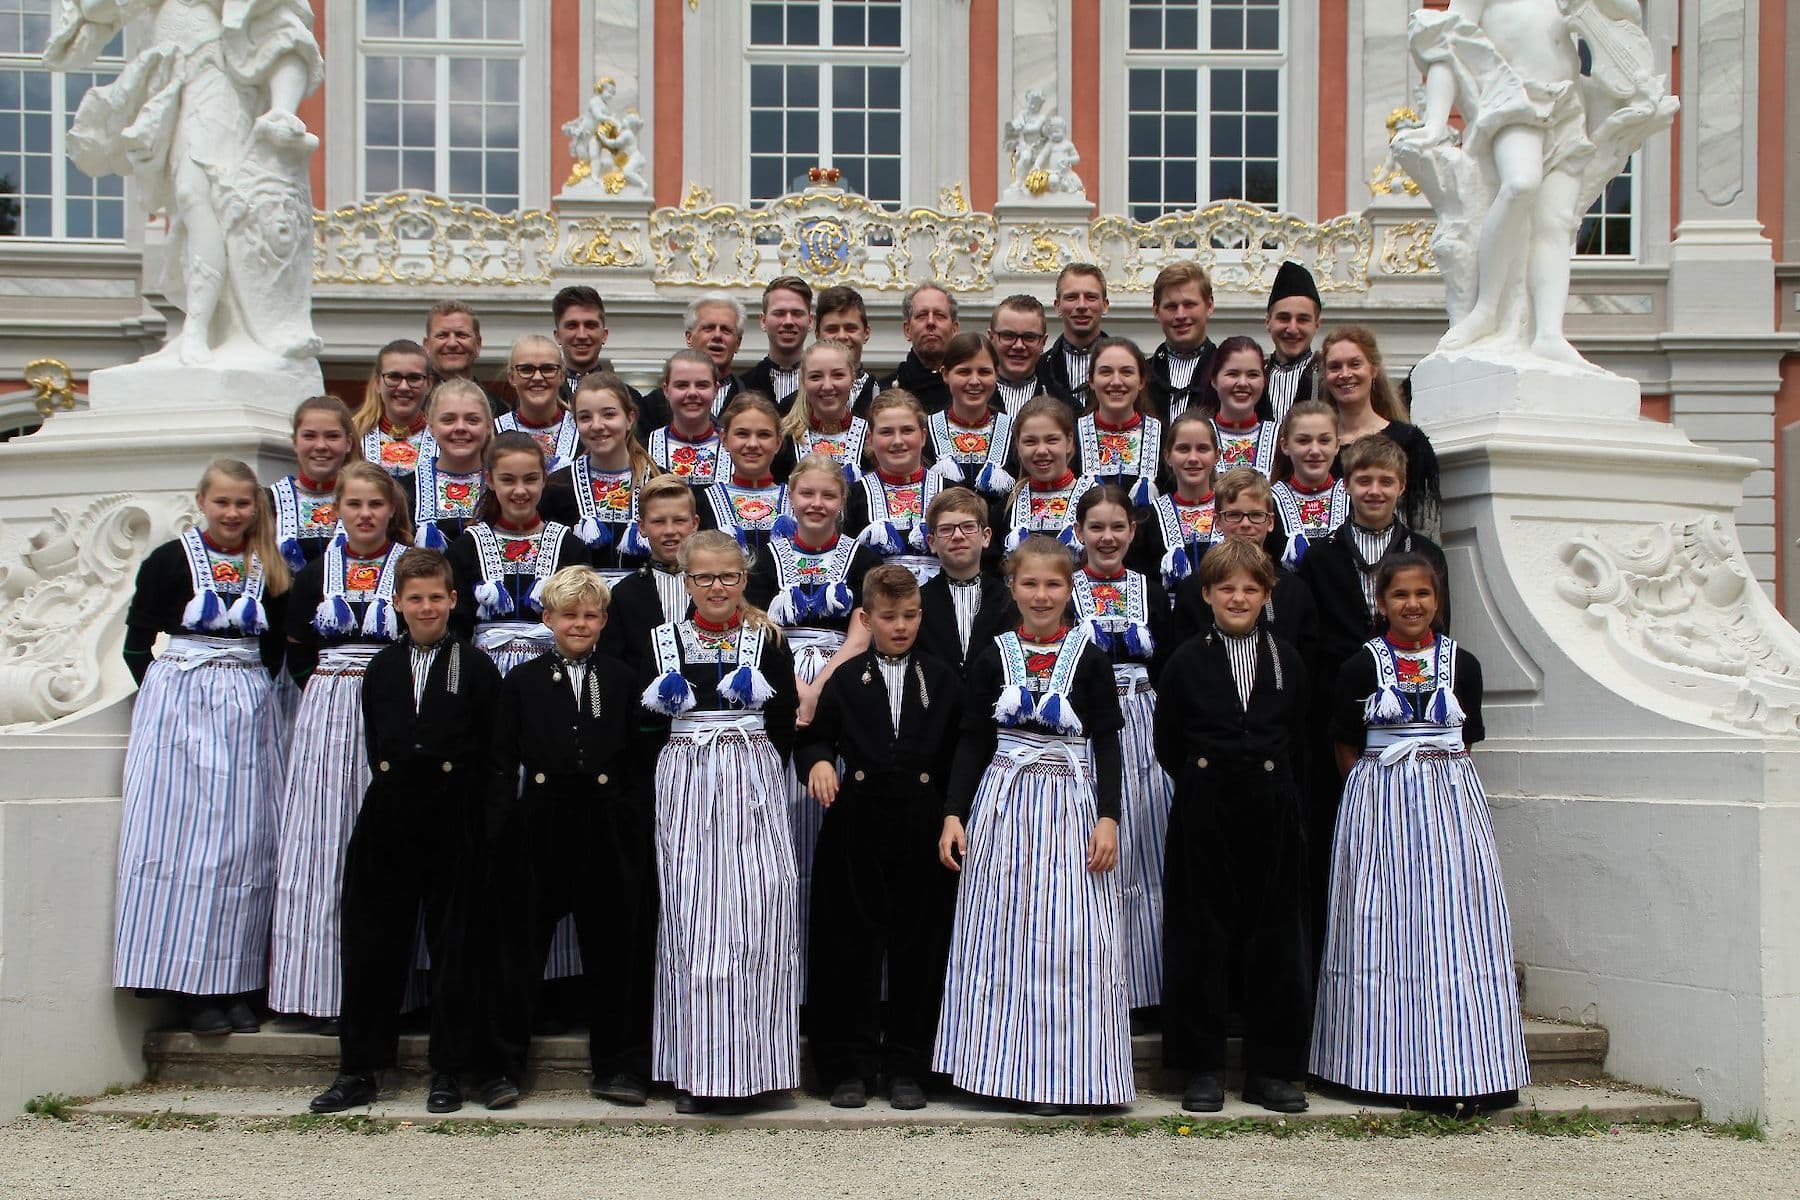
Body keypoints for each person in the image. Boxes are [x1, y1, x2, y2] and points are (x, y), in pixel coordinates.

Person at [1311, 552, 1528, 1109]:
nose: (1412, 605)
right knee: (1380, 923)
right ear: (1380, 603)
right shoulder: (1360, 666)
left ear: (1439, 601)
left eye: (1423, 595)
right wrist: (1377, 796)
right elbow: (1345, 742)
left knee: (1454, 924)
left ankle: (1468, 1064)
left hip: (1450, 803)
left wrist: (1435, 779)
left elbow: (1467, 736)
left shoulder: (1465, 665)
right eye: (1400, 595)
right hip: (1379, 799)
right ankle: (1373, 1064)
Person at [933, 535, 1131, 1116]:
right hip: (1005, 798)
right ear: (1011, 588)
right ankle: (996, 1068)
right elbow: (972, 738)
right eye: (1030, 584)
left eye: (1054, 584)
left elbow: (1107, 742)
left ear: (1072, 590)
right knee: (1002, 928)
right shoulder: (992, 653)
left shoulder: (1090, 654)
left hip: (1070, 798)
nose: (1041, 595)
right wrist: (953, 812)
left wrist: (1109, 817)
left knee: (1072, 932)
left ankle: (1069, 1070)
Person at [308, 547, 499, 1116]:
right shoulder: (383, 666)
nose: (426, 607)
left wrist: (486, 829)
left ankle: (449, 1069)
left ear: (452, 600)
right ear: (396, 603)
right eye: (414, 598)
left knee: (455, 947)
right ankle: (360, 1067)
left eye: (435, 597)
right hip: (390, 812)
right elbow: (375, 744)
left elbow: (491, 756)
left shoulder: (475, 664)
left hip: (454, 813)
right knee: (372, 943)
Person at [116, 459, 290, 1036]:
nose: (234, 514)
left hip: (245, 707)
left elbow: (275, 647)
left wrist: (248, 690)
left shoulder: (268, 567)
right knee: (185, 841)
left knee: (244, 843)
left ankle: (236, 981)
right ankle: (187, 984)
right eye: (223, 503)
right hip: (183, 707)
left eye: (244, 504)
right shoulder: (169, 560)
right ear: (202, 502)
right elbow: (138, 641)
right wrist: (170, 698)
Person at [638, 530, 802, 1115]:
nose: (717, 587)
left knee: (758, 913)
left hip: (752, 780)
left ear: (744, 579)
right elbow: (644, 728)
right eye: (704, 577)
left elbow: (783, 720)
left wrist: (757, 773)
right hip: (685, 783)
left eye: (729, 577)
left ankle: (756, 1067)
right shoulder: (658, 642)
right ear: (685, 581)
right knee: (692, 920)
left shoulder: (767, 640)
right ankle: (696, 1068)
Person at [482, 566, 657, 1110]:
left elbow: (637, 758)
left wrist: (631, 820)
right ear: (547, 618)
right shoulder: (521, 680)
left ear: (604, 619)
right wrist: (501, 829)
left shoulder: (625, 679)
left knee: (615, 951)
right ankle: (500, 1068)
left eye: (590, 614)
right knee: (514, 950)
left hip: (605, 824)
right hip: (539, 822)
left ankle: (619, 1066)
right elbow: (500, 762)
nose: (579, 624)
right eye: (569, 614)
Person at [1155, 538, 1312, 1116]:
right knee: (1201, 935)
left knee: (1274, 937)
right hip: (1205, 804)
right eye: (1227, 588)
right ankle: (1200, 1067)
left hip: (1271, 805)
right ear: (1207, 594)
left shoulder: (1286, 658)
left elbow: (1295, 729)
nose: (1238, 597)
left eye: (1250, 588)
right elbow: (1168, 740)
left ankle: (1271, 1070)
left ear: (1267, 595)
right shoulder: (1187, 659)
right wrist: (1208, 776)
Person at [799, 565, 962, 1111]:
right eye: (888, 617)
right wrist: (820, 763)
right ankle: (847, 1066)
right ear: (866, 619)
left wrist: (951, 813)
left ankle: (909, 1065)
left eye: (910, 616)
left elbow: (958, 752)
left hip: (922, 818)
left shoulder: (941, 677)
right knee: (849, 943)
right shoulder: (845, 679)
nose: (900, 627)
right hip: (857, 818)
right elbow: (814, 738)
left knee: (920, 944)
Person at [269, 463, 413, 1033]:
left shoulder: (410, 566)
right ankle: (320, 987)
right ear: (337, 510)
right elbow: (297, 650)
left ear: (391, 510)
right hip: (330, 711)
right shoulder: (314, 573)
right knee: (323, 840)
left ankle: (395, 992)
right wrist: (331, 689)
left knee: (390, 840)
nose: (365, 515)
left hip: (396, 702)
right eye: (354, 504)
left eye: (375, 505)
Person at [1297, 435, 1447, 957]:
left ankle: (1410, 948)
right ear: (1346, 485)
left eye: (1386, 481)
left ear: (1402, 486)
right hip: (1336, 710)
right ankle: (1339, 954)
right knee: (1337, 836)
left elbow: (1440, 633)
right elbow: (1311, 638)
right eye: (1364, 480)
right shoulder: (1321, 555)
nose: (1375, 490)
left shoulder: (1424, 554)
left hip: (1407, 716)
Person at [746, 454, 881, 978]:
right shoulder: (764, 552)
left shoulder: (860, 556)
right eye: (807, 495)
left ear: (843, 501)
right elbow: (756, 622)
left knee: (831, 815)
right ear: (791, 498)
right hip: (780, 675)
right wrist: (793, 688)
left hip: (843, 677)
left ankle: (828, 969)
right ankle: (783, 969)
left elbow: (862, 627)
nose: (817, 504)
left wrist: (819, 690)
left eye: (828, 495)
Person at [1071, 486, 1172, 1017]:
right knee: (1093, 851)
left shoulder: (1149, 588)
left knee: (1145, 852)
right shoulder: (1062, 589)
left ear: (1134, 532)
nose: (1106, 538)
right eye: (1096, 528)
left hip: (1142, 720)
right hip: (1085, 726)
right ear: (1079, 531)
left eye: (1117, 528)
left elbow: (1169, 660)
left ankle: (1144, 989)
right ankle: (1095, 980)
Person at [447, 433, 590, 675]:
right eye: (508, 480)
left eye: (530, 479)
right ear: (490, 480)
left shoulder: (570, 547)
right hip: (484, 675)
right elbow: (456, 626)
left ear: (544, 479)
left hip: (553, 675)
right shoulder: (466, 547)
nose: (520, 490)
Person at [1171, 468, 1320, 666]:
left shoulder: (1294, 590)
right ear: (1217, 521)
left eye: (1256, 515)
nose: (1245, 524)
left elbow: (1308, 663)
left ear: (1271, 522)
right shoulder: (1195, 588)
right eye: (1234, 515)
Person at [540, 372, 661, 580]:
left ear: (630, 418)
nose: (596, 425)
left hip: (644, 604)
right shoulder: (557, 486)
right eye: (585, 417)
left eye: (608, 414)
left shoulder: (659, 482)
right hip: (579, 605)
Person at [1321, 326, 1441, 534]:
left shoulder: (1410, 441)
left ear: (1373, 369)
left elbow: (1426, 524)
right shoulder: (1316, 448)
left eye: (1355, 364)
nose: (1345, 374)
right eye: (1335, 367)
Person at [598, 475, 698, 672]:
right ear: (642, 527)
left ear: (694, 524)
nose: (670, 530)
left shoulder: (716, 587)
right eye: (659, 521)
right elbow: (612, 665)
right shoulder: (624, 594)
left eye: (679, 520)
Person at [845, 389, 945, 583]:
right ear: (870, 439)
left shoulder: (950, 492)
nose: (898, 441)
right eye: (886, 432)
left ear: (923, 436)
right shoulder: (853, 497)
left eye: (907, 430)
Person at [916, 488, 1014, 679]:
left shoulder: (1008, 600)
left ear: (985, 536)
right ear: (932, 542)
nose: (958, 536)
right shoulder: (917, 601)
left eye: (968, 527)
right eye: (946, 529)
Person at [992, 396, 1096, 554]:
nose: (1041, 451)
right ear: (1018, 446)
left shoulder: (1096, 500)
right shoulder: (1005, 509)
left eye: (1051, 440)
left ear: (1069, 442)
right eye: (1030, 442)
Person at [1133, 409, 1220, 592]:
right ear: (1167, 457)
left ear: (1217, 455)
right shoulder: (1148, 518)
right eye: (1183, 449)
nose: (1193, 458)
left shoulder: (1232, 512)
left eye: (1202, 449)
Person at [639, 293, 748, 434]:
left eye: (726, 330)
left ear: (738, 343)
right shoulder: (653, 405)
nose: (717, 336)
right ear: (689, 338)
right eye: (708, 328)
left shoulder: (754, 401)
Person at [699, 393, 792, 559]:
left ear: (778, 442)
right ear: (724, 439)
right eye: (742, 434)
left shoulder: (797, 502)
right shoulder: (703, 502)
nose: (753, 444)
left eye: (764, 435)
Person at [271, 396, 356, 572]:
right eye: (309, 436)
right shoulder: (270, 502)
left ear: (348, 443)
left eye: (332, 436)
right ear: (295, 442)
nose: (321, 445)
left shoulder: (367, 501)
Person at [928, 332, 1014, 499]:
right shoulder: (926, 432)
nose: (974, 381)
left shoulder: (1013, 432)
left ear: (996, 374)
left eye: (984, 372)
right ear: (945, 374)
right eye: (964, 372)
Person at [1078, 338, 1162, 505]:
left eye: (1126, 372)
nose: (1116, 382)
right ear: (1091, 381)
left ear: (1142, 381)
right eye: (1106, 372)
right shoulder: (1071, 439)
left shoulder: (1164, 438)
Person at [411, 378, 494, 549]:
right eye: (448, 420)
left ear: (488, 426)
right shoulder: (406, 490)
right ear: (431, 426)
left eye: (472, 420)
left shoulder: (502, 487)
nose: (460, 428)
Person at [1270, 399, 1348, 569]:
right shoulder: (1268, 502)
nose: (1314, 450)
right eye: (1303, 441)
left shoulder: (1354, 498)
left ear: (1337, 445)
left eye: (1324, 440)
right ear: (1285, 445)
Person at [777, 340, 868, 481]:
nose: (827, 386)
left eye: (837, 375)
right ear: (803, 381)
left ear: (852, 378)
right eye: (816, 377)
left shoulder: (871, 438)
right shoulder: (783, 440)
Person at [353, 339, 436, 480]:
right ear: (377, 383)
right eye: (394, 377)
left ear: (429, 384)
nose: (403, 387)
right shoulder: (353, 437)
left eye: (414, 378)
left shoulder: (443, 440)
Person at [495, 334, 579, 472]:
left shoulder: (583, 431)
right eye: (526, 369)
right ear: (511, 377)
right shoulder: (493, 433)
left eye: (548, 369)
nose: (538, 377)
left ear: (562, 376)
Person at [1147, 262, 1218, 422]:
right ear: (1156, 311)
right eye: (1171, 306)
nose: (1180, 315)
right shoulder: (1143, 375)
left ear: (1209, 305)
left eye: (1189, 305)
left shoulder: (1225, 371)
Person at [647, 349, 726, 489]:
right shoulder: (644, 448)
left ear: (716, 390)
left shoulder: (735, 448)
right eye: (682, 385)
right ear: (666, 390)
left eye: (702, 385)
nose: (692, 393)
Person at [1038, 264, 1111, 411]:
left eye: (1091, 297)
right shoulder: (1040, 369)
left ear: (1105, 305)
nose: (1082, 305)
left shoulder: (1129, 367)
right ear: (1057, 306)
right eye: (1072, 297)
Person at [1207, 335, 1281, 477]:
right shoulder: (1197, 435)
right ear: (1214, 380)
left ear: (1264, 381)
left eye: (1252, 375)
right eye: (1232, 374)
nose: (1242, 383)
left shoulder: (1279, 437)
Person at [882, 282, 959, 413]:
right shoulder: (883, 390)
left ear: (954, 329)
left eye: (939, 315)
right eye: (921, 316)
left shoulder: (973, 391)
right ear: (907, 330)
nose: (930, 322)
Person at [1263, 261, 1324, 424]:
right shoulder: (1253, 376)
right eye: (1284, 318)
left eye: (1303, 319)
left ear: (1317, 324)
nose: (1292, 328)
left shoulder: (1329, 376)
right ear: (1268, 321)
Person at [742, 276, 813, 412]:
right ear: (763, 321)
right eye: (779, 313)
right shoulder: (742, 386)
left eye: (797, 313)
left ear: (810, 321)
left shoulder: (824, 386)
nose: (788, 322)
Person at [552, 285, 630, 402]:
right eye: (572, 326)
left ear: (604, 335)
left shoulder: (629, 398)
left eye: (590, 325)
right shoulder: (543, 399)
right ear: (557, 336)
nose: (582, 335)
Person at [424, 300, 503, 415]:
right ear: (427, 346)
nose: (452, 344)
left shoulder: (498, 410)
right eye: (442, 336)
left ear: (478, 344)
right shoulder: (413, 406)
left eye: (462, 335)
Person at [814, 285, 881, 417]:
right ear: (817, 335)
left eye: (850, 328)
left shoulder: (884, 396)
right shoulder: (795, 402)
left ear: (866, 333)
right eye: (832, 329)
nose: (842, 336)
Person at [987, 294, 1049, 414]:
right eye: (1008, 336)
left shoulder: (1060, 400)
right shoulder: (966, 397)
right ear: (991, 338)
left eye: (1029, 337)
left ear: (1043, 342)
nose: (1019, 346)